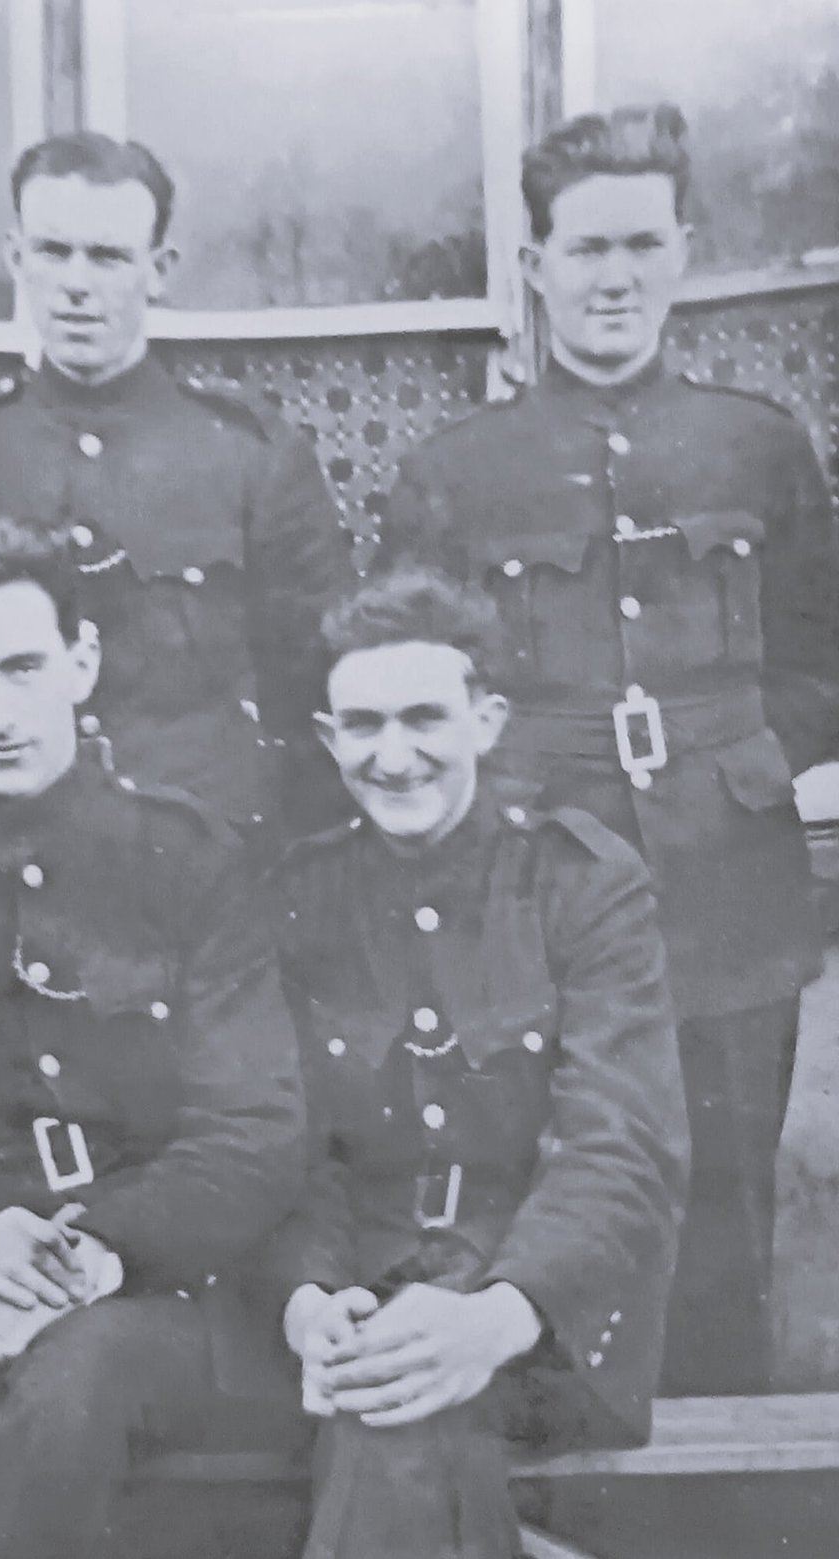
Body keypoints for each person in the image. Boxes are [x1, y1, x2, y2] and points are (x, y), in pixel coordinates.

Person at [379, 103, 839, 1394]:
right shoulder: (457, 471)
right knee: (549, 1183)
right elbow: (412, 683)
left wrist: (747, 754)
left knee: (725, 1200)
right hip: (539, 882)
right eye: (586, 248)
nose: (615, 277)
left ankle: (714, 1458)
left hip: (728, 887)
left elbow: (820, 652)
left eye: (642, 243)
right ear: (535, 266)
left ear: (684, 251)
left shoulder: (759, 444)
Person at [0, 516, 306, 1559]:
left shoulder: (188, 856)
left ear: (81, 664)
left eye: (22, 667)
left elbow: (255, 1131)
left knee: (77, 1380)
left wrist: (88, 1255)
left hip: (149, 1290)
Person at [257, 567, 688, 1559]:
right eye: (362, 725)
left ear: (486, 721)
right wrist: (308, 1299)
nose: (393, 756)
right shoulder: (298, 895)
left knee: (393, 1420)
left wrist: (501, 1310)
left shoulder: (582, 883)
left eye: (424, 718)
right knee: (390, 1405)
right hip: (356, 1308)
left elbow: (621, 1145)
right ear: (327, 738)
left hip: (548, 1324)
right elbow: (284, 1145)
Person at [0, 131, 352, 835]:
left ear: (159, 270)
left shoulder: (252, 458)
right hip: (0, 842)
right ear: (15, 259)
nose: (76, 284)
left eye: (108, 257)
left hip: (204, 846)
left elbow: (316, 687)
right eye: (52, 251)